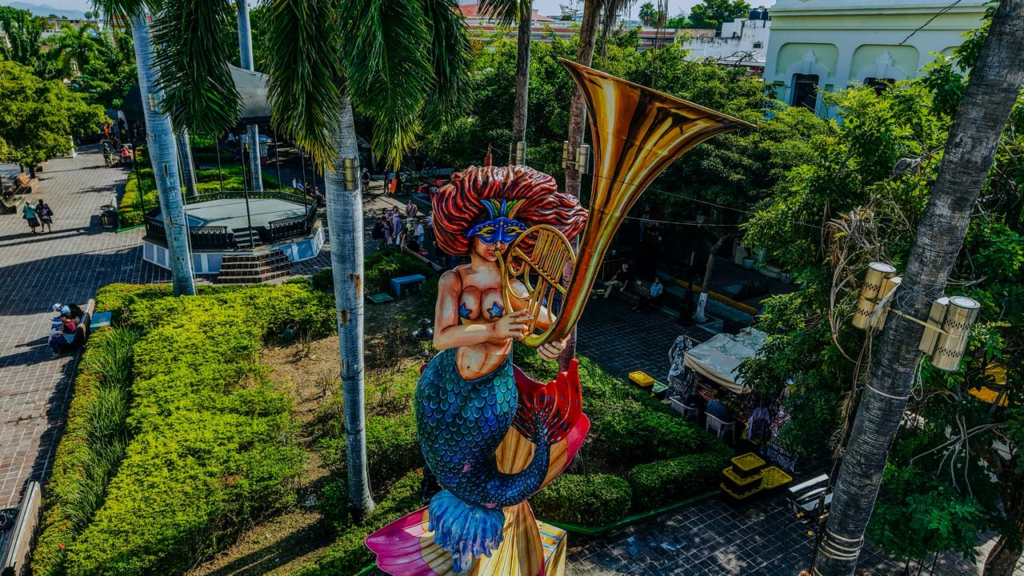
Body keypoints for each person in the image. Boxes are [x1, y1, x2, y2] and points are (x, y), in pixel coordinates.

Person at [397, 165, 586, 571]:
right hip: (443, 387)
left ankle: (473, 547)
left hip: (491, 396)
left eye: (508, 232)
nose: (498, 242)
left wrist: (554, 343)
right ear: (467, 234)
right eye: (488, 232)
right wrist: (495, 328)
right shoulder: (453, 279)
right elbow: (442, 337)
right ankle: (458, 545)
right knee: (448, 465)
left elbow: (551, 326)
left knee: (475, 470)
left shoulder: (518, 287)